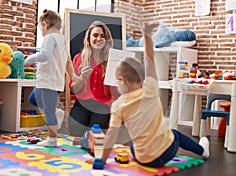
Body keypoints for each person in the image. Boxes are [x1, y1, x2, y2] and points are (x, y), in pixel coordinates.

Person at [89, 22, 209, 167]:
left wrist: (101, 159)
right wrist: (146, 35)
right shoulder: (151, 88)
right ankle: (202, 151)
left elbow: (111, 136)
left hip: (143, 158)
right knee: (175, 134)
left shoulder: (118, 106)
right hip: (164, 154)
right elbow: (149, 59)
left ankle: (149, 151)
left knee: (135, 145)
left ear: (121, 80)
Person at [25, 9, 69, 147]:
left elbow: (45, 55)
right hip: (53, 80)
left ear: (45, 24)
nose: (41, 31)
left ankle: (52, 139)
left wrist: (30, 58)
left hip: (48, 80)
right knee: (33, 99)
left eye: (40, 27)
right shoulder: (62, 40)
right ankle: (58, 113)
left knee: (48, 110)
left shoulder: (50, 38)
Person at [68, 21, 118, 137]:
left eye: (103, 36)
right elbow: (73, 89)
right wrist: (82, 79)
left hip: (102, 105)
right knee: (75, 130)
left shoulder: (112, 60)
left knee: (94, 133)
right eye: (95, 35)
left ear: (106, 40)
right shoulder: (80, 59)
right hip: (82, 103)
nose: (98, 39)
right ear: (89, 38)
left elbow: (116, 91)